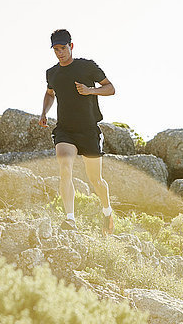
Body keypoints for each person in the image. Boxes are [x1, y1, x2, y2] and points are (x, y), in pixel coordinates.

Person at [39, 29, 115, 234]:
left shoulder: (87, 67)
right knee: (65, 167)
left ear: (71, 46)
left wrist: (91, 90)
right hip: (65, 131)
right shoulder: (52, 73)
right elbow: (49, 93)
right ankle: (70, 219)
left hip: (89, 130)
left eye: (63, 48)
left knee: (95, 180)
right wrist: (44, 111)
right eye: (56, 49)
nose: (59, 53)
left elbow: (110, 88)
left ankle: (107, 211)